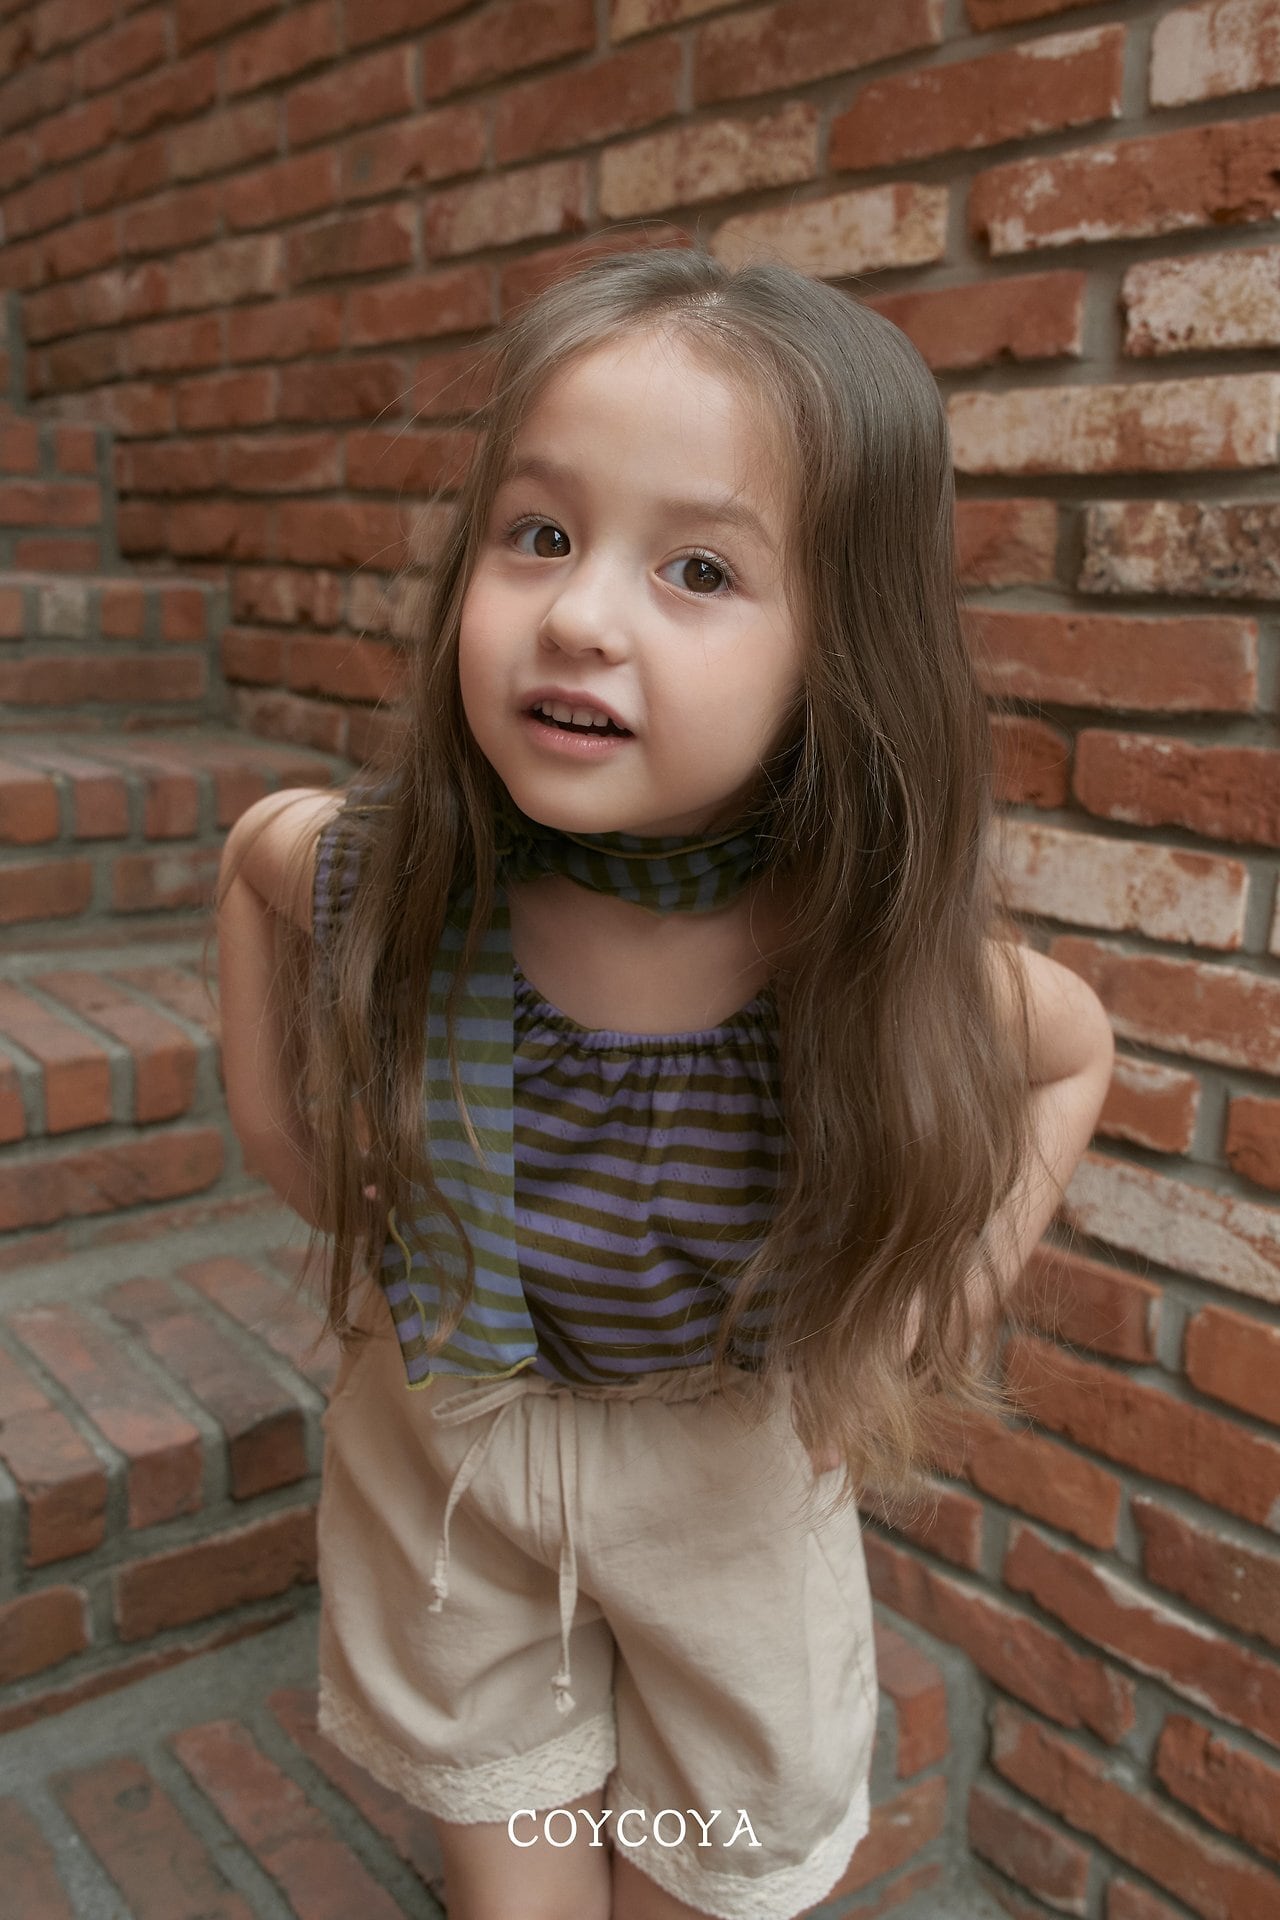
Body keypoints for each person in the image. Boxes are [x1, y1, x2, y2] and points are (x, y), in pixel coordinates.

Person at [215, 245, 1115, 1920]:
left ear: (842, 651)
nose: (577, 614)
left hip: (724, 1495)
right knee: (518, 1885)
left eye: (699, 567)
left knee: (703, 1882)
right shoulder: (398, 875)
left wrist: (937, 1303)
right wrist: (290, 1142)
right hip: (448, 1451)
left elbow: (1070, 1050)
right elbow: (261, 857)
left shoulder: (848, 959)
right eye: (540, 534)